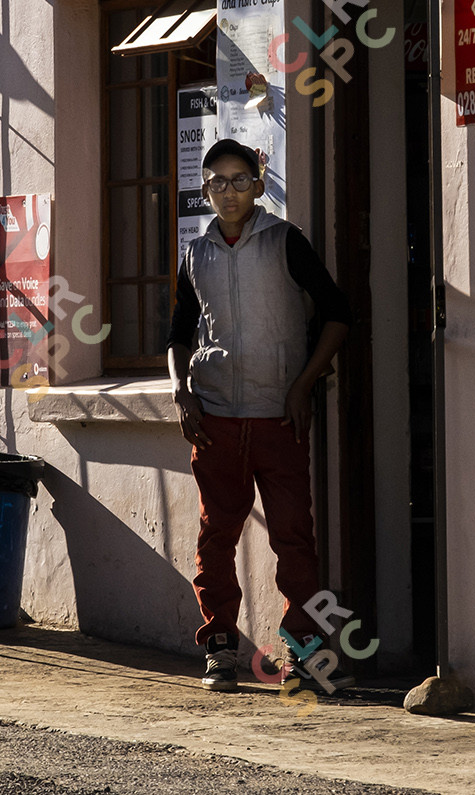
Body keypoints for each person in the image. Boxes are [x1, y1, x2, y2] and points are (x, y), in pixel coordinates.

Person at [167, 138, 353, 692]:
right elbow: (178, 334)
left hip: (279, 419)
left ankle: (303, 653)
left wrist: (303, 385)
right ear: (205, 190)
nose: (228, 192)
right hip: (216, 419)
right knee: (215, 537)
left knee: (294, 538)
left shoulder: (286, 242)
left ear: (258, 183)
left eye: (239, 180)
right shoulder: (195, 254)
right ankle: (220, 649)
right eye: (217, 183)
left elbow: (339, 314)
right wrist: (182, 392)